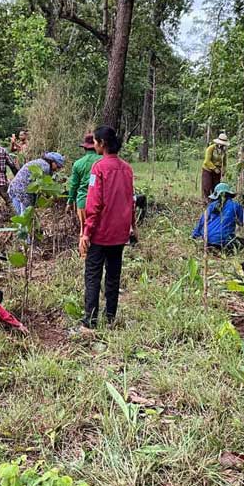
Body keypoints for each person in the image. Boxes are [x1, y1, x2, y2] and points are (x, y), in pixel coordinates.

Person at [76, 126, 135, 332]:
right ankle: (110, 317)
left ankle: (90, 321)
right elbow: (131, 199)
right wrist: (133, 226)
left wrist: (86, 232)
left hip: (100, 233)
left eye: (95, 142)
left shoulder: (98, 168)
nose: (94, 146)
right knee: (113, 275)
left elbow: (94, 204)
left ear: (102, 144)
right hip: (120, 233)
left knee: (93, 275)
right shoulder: (127, 168)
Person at [192, 183, 244, 251]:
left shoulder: (211, 206)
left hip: (207, 240)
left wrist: (194, 236)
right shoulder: (235, 206)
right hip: (224, 241)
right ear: (229, 194)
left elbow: (201, 222)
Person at [67, 133, 102, 232]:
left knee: (85, 232)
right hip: (100, 202)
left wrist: (70, 202)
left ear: (84, 148)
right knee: (100, 233)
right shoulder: (103, 161)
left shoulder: (78, 164)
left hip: (83, 202)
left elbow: (74, 185)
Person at [201, 133, 229, 200]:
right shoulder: (211, 148)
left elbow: (224, 162)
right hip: (208, 169)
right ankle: (206, 200)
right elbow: (207, 161)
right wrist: (214, 168)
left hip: (218, 171)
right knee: (207, 186)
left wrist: (223, 170)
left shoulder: (224, 151)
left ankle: (214, 201)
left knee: (216, 186)